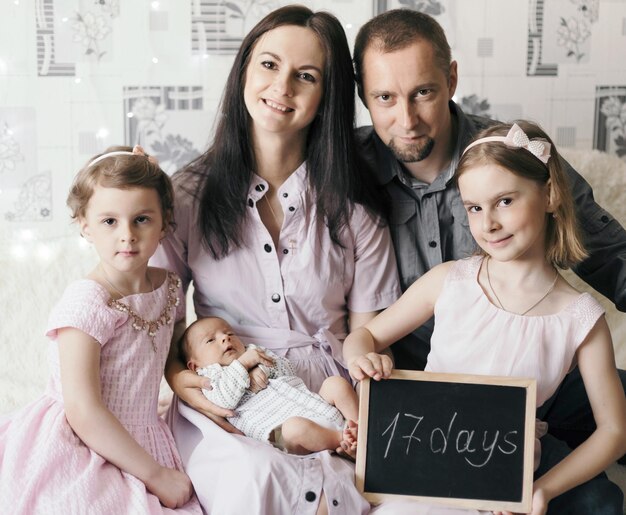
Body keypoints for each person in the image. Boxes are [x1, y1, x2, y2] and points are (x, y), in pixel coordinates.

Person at [151, 5, 400, 514]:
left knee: (341, 489)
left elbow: (367, 335)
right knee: (255, 474)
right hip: (229, 391)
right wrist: (182, 382)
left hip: (332, 389)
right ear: (245, 69)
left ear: (325, 97)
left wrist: (360, 398)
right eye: (268, 65)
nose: (282, 86)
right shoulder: (185, 198)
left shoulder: (357, 209)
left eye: (305, 76)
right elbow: (163, 327)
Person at [352, 8, 626, 463]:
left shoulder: (512, 159)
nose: (407, 119)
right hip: (420, 387)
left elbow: (613, 257)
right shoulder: (346, 169)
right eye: (384, 97)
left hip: (538, 380)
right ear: (364, 96)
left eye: (423, 92)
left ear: (452, 79)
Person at [344, 121, 626, 515]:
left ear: (549, 194)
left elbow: (614, 431)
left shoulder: (581, 318)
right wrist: (362, 356)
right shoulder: (449, 281)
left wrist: (542, 490)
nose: (488, 223)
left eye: (505, 201)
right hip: (420, 468)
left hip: (502, 483)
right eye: (474, 208)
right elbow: (365, 336)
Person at [0, 146, 202, 514]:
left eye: (141, 219)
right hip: (82, 435)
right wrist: (155, 475)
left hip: (143, 428)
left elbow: (173, 350)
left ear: (165, 222)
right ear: (84, 225)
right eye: (110, 221)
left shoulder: (170, 287)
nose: (127, 235)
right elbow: (83, 408)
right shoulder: (88, 303)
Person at [181, 316, 359, 456]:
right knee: (295, 427)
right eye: (211, 340)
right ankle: (343, 440)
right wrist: (242, 366)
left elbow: (289, 371)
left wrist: (262, 368)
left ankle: (361, 427)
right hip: (279, 436)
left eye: (229, 333)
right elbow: (224, 400)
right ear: (195, 366)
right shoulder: (207, 379)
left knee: (335, 384)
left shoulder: (254, 352)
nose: (225, 338)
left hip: (313, 405)